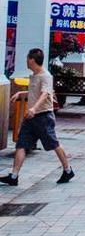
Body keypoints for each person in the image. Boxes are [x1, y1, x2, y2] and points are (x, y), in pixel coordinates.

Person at [0, 48, 75, 187]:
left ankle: (68, 170)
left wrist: (34, 108)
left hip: (43, 116)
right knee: (21, 144)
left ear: (32, 60)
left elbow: (45, 94)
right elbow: (35, 92)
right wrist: (22, 93)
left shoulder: (45, 76)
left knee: (53, 143)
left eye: (28, 58)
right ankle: (14, 175)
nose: (26, 61)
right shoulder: (34, 75)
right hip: (31, 118)